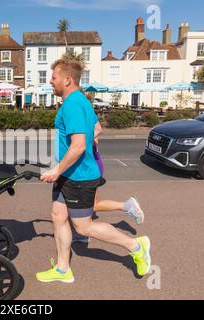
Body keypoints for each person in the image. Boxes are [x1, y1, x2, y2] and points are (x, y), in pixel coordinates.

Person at [36, 59, 151, 283]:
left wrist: (57, 170)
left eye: (54, 77)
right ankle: (62, 269)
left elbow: (78, 145)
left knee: (84, 226)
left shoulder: (72, 104)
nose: (51, 81)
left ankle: (136, 246)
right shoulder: (81, 100)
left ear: (67, 80)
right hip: (69, 174)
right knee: (58, 216)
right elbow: (96, 128)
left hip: (78, 177)